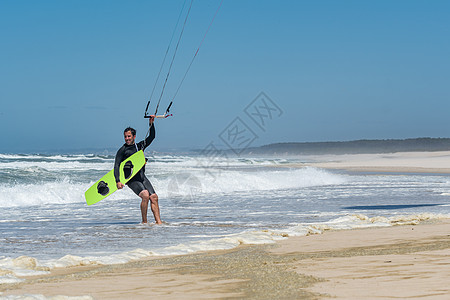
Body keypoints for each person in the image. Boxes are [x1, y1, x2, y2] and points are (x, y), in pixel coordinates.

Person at [114, 116, 162, 224]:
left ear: (134, 136)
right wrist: (118, 181)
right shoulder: (122, 151)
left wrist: (151, 124)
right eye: (125, 136)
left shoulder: (139, 146)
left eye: (129, 136)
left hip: (141, 177)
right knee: (145, 195)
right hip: (132, 180)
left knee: (154, 197)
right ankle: (144, 223)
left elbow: (152, 136)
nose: (127, 138)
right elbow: (116, 166)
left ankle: (159, 223)